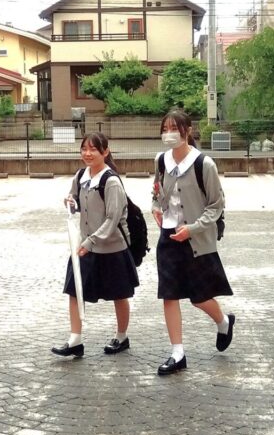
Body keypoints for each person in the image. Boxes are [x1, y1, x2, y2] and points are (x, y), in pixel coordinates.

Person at [151, 110, 234, 375]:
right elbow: (157, 190)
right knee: (169, 294)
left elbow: (216, 205)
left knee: (199, 297)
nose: (169, 133)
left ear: (188, 130)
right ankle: (178, 352)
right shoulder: (161, 161)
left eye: (174, 128)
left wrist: (193, 228)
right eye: (165, 128)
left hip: (195, 238)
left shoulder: (203, 164)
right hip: (168, 236)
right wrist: (155, 206)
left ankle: (223, 321)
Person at [52, 133, 140, 358]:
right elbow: (74, 198)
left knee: (119, 294)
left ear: (105, 152)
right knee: (74, 290)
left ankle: (121, 337)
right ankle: (75, 340)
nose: (87, 154)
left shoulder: (110, 181)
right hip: (84, 245)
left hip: (111, 247)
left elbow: (112, 219)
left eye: (93, 149)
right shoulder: (81, 175)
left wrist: (91, 241)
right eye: (84, 149)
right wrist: (70, 201)